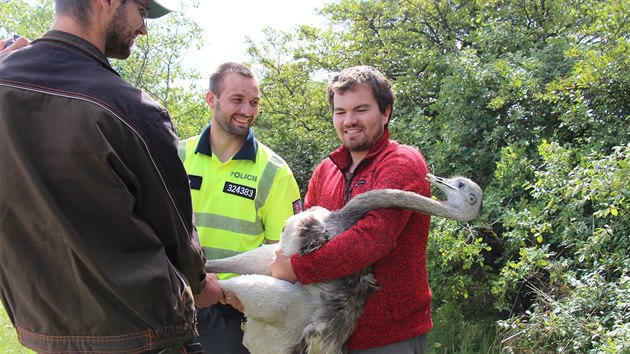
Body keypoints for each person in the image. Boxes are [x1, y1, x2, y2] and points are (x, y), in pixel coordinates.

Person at [0, 1, 223, 353]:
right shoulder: (134, 111)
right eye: (142, 10)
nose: (144, 28)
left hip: (43, 334)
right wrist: (198, 283)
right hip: (141, 335)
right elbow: (177, 237)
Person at [271, 65, 432, 354]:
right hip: (327, 333)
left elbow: (372, 239)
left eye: (361, 110)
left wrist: (296, 269)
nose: (349, 121)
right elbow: (304, 240)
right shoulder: (326, 171)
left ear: (385, 112)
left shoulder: (402, 162)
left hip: (388, 337)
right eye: (340, 112)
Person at [178, 62, 302, 353]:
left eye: (254, 102)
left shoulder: (276, 171)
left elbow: (285, 257)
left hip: (234, 313)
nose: (247, 110)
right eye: (237, 100)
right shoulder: (176, 154)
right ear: (212, 99)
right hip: (174, 304)